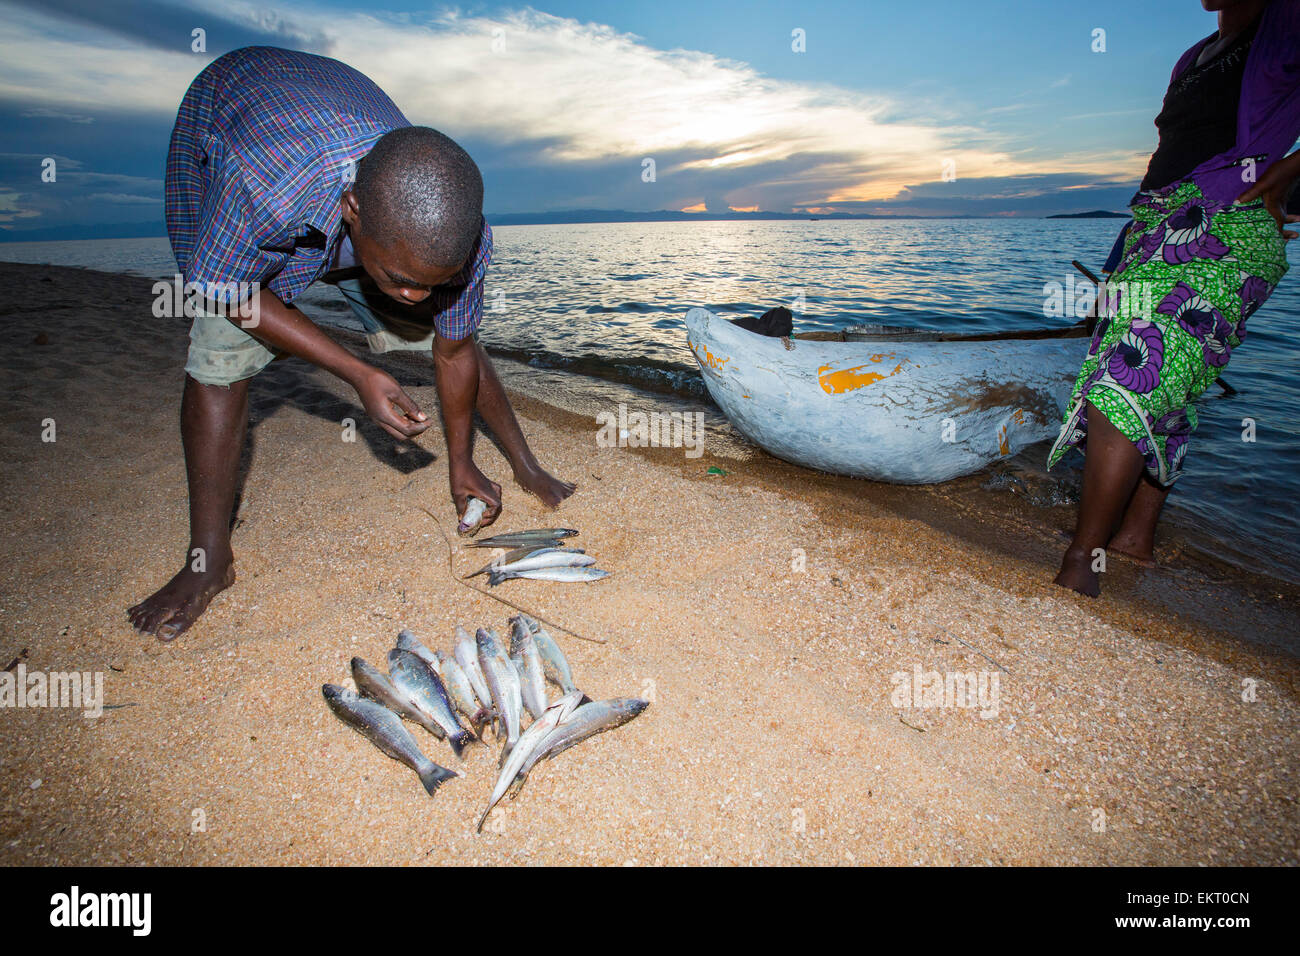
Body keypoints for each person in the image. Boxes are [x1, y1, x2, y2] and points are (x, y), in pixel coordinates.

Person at [128, 46, 574, 640]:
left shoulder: (461, 238)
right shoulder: (262, 182)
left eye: (434, 281)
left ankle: (524, 460)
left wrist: (462, 460)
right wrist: (358, 372)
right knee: (220, 353)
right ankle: (209, 559)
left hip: (353, 160)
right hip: (229, 119)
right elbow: (226, 292)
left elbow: (455, 349)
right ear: (352, 211)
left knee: (451, 324)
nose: (413, 298)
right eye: (400, 281)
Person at [1049, 0, 1300, 596]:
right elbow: (1167, 164)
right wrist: (1115, 271)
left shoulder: (1286, 20)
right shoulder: (1194, 55)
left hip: (1226, 232)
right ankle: (1134, 540)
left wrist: (1289, 173)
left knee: (1131, 373)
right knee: (1172, 383)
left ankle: (1082, 561)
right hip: (1154, 228)